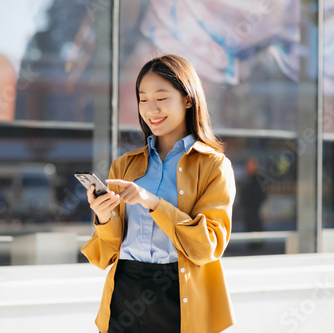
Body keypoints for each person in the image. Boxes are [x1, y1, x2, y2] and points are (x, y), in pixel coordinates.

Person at [81, 55, 236, 333]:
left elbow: (208, 246)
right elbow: (104, 254)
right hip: (125, 289)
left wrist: (151, 202)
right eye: (143, 99)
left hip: (178, 292)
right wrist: (104, 217)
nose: (151, 109)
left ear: (188, 99)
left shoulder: (214, 166)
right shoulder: (125, 165)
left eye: (161, 98)